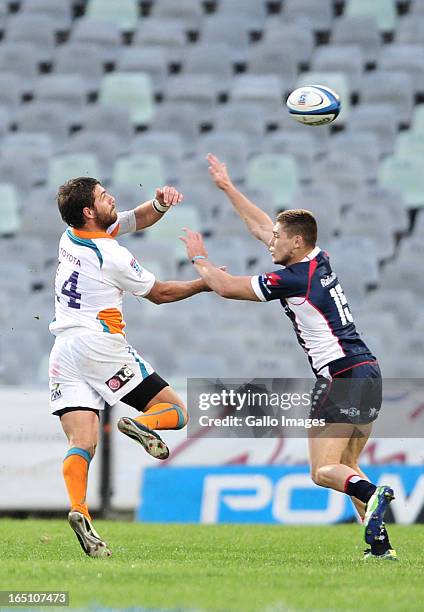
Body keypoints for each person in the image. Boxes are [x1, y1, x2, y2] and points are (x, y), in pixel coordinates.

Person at [180, 154, 397, 561]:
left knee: (322, 472)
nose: (271, 241)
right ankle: (380, 547)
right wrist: (228, 187)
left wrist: (199, 258)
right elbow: (262, 226)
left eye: (279, 237)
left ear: (296, 242)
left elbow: (226, 287)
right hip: (368, 370)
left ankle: (373, 492)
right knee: (347, 463)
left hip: (339, 375)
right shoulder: (317, 257)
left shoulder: (294, 278)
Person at [50, 177, 211, 558]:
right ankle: (141, 424)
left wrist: (159, 206)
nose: (113, 199)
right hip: (99, 345)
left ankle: (79, 508)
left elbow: (131, 220)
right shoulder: (112, 255)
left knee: (81, 443)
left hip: (63, 350)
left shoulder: (70, 236)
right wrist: (206, 282)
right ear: (89, 211)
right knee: (175, 412)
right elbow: (161, 294)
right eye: (104, 197)